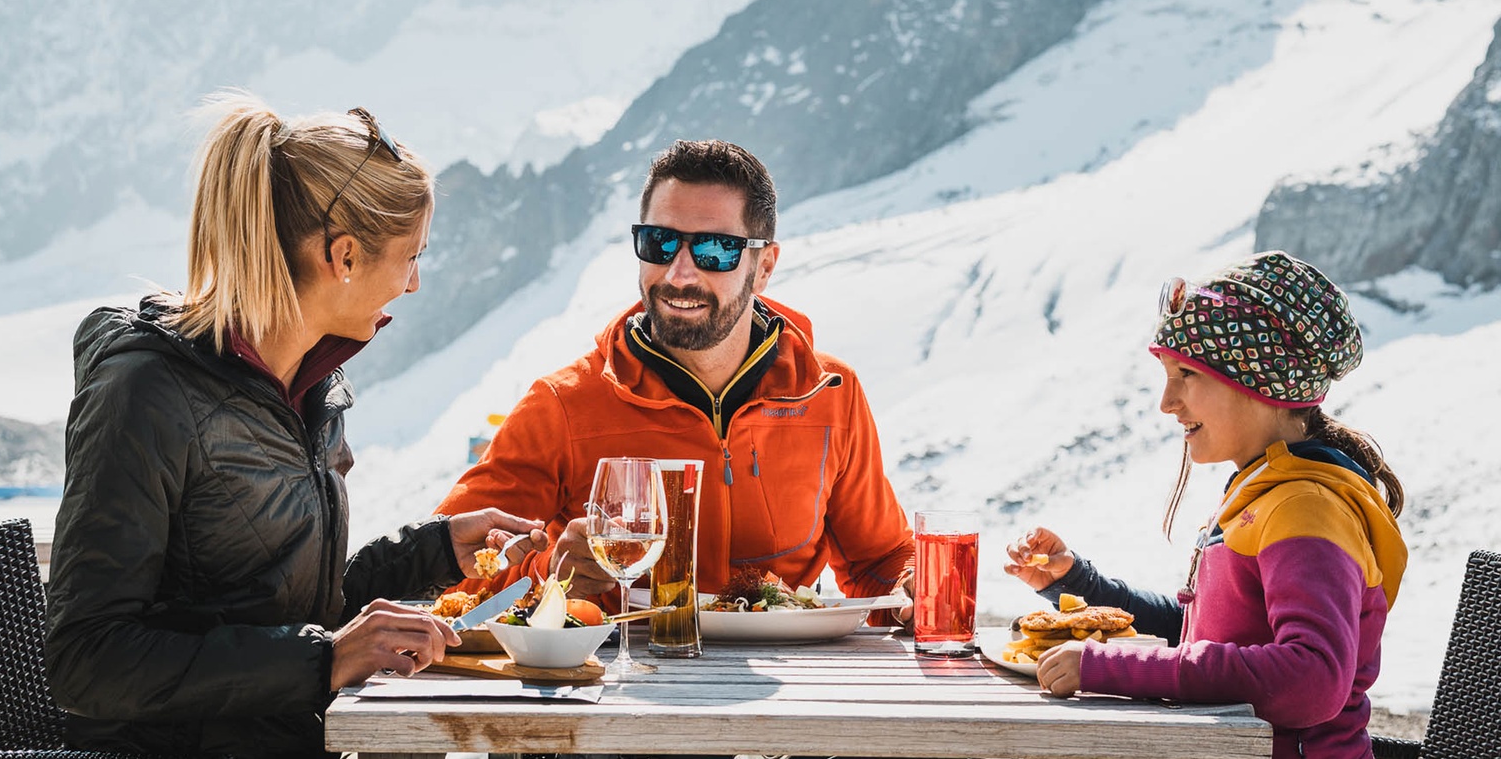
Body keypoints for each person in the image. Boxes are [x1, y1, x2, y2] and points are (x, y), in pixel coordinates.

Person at [45, 93, 548, 758]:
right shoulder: (146, 394)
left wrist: (436, 550)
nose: (415, 282)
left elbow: (299, 612)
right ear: (342, 256)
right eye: (411, 255)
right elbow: (88, 660)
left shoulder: (312, 391)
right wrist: (320, 662)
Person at [435, 139, 914, 616]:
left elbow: (880, 562)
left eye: (716, 250)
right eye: (660, 243)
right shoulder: (562, 405)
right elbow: (444, 573)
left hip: (785, 676)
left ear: (763, 266)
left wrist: (914, 589)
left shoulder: (830, 392)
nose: (680, 274)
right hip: (616, 680)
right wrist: (549, 575)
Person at [1005, 251, 1407, 759]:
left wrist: (1106, 666)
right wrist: (1078, 583)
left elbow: (1312, 679)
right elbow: (1201, 635)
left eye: (1187, 375)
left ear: (1258, 382)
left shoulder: (1305, 508)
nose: (1167, 402)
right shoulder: (1264, 490)